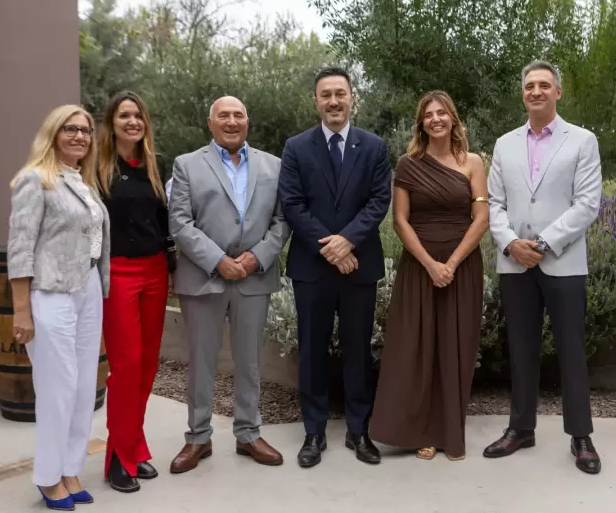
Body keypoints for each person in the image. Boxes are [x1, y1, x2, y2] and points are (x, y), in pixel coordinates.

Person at [484, 60, 603, 474]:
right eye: (529, 85)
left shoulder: (582, 141)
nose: (536, 91)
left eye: (544, 85)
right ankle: (521, 428)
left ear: (558, 92)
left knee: (571, 349)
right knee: (521, 349)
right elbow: (494, 204)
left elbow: (587, 203)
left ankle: (581, 436)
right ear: (523, 93)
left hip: (564, 261)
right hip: (515, 262)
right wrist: (511, 243)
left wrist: (545, 242)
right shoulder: (504, 145)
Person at [167, 96, 290, 472]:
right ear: (211, 122)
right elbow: (180, 223)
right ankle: (198, 438)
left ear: (247, 123)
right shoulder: (187, 165)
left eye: (238, 115)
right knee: (201, 360)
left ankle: (249, 433)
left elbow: (283, 220)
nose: (232, 121)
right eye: (224, 115)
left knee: (250, 360)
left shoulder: (274, 165)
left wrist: (257, 256)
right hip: (204, 276)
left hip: (254, 275)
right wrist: (219, 261)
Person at [278, 67, 392, 468]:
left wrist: (348, 241)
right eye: (325, 94)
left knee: (358, 349)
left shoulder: (374, 146)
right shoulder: (295, 148)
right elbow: (292, 204)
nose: (333, 101)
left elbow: (379, 201)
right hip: (312, 266)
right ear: (316, 101)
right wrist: (332, 247)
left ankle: (359, 431)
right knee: (312, 351)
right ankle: (314, 432)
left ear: (351, 97)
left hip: (359, 265)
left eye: (340, 93)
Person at [369, 91, 488, 461]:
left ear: (453, 119)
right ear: (421, 122)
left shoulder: (473, 163)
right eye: (428, 114)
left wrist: (451, 264)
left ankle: (449, 431)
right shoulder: (407, 164)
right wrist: (430, 264)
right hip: (420, 267)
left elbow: (481, 219)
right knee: (416, 349)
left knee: (456, 346)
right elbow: (400, 221)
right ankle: (421, 430)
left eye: (442, 113)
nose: (435, 119)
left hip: (462, 264)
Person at [7, 104, 110, 510]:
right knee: (58, 387)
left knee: (85, 386)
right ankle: (48, 477)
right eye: (70, 129)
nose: (80, 136)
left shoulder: (84, 183)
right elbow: (20, 248)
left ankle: (70, 469)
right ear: (53, 133)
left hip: (87, 288)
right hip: (51, 292)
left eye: (85, 130)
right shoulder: (35, 180)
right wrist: (21, 310)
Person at [95, 91, 175, 493]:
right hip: (118, 273)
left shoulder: (151, 167)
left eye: (138, 115)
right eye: (124, 115)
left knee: (146, 367)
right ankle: (116, 456)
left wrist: (173, 267)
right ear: (111, 123)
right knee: (125, 368)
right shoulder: (98, 169)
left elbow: (164, 224)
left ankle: (134, 445)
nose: (132, 122)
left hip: (155, 272)